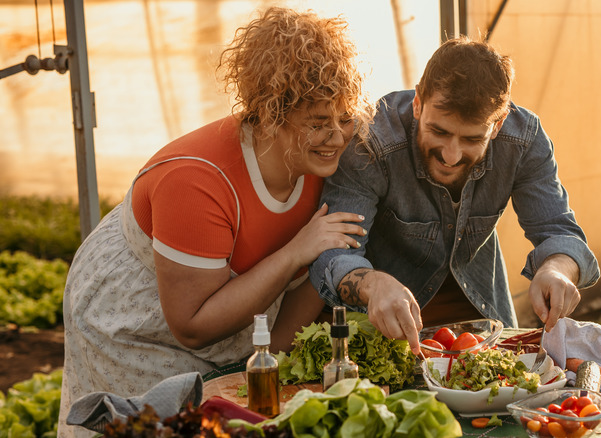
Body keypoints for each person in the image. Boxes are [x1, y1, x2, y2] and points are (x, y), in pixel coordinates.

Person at [58, 7, 373, 437]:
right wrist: (296, 251)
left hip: (237, 311)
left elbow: (292, 314)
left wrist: (272, 366)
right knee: (153, 425)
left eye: (345, 117)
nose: (338, 136)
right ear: (268, 115)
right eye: (318, 123)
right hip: (138, 320)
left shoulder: (326, 163)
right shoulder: (195, 181)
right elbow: (191, 327)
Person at [310, 36, 600, 354]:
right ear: (419, 103)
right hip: (387, 334)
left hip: (482, 329)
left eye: (472, 139)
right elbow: (333, 254)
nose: (451, 155)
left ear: (498, 124)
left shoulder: (524, 140)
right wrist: (372, 284)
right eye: (440, 131)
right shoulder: (373, 141)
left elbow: (560, 233)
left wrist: (556, 269)